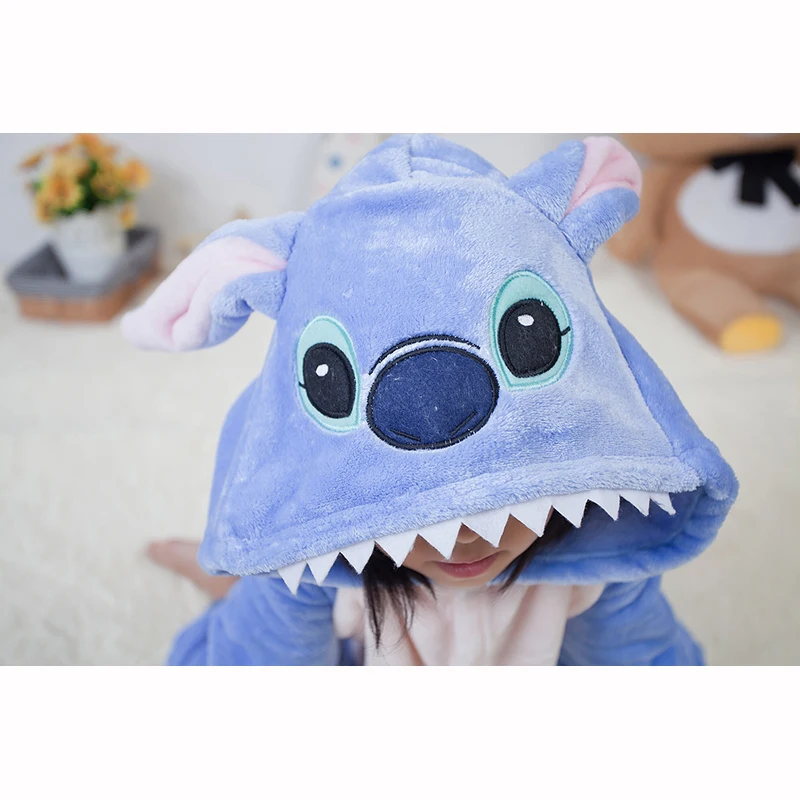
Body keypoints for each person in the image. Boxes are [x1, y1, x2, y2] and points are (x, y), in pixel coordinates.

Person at [124, 134, 737, 665]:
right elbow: (259, 665)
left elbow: (645, 661)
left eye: (502, 500)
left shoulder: (600, 544)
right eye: (429, 517)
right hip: (349, 643)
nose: (467, 538)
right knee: (248, 594)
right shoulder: (323, 554)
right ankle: (207, 571)